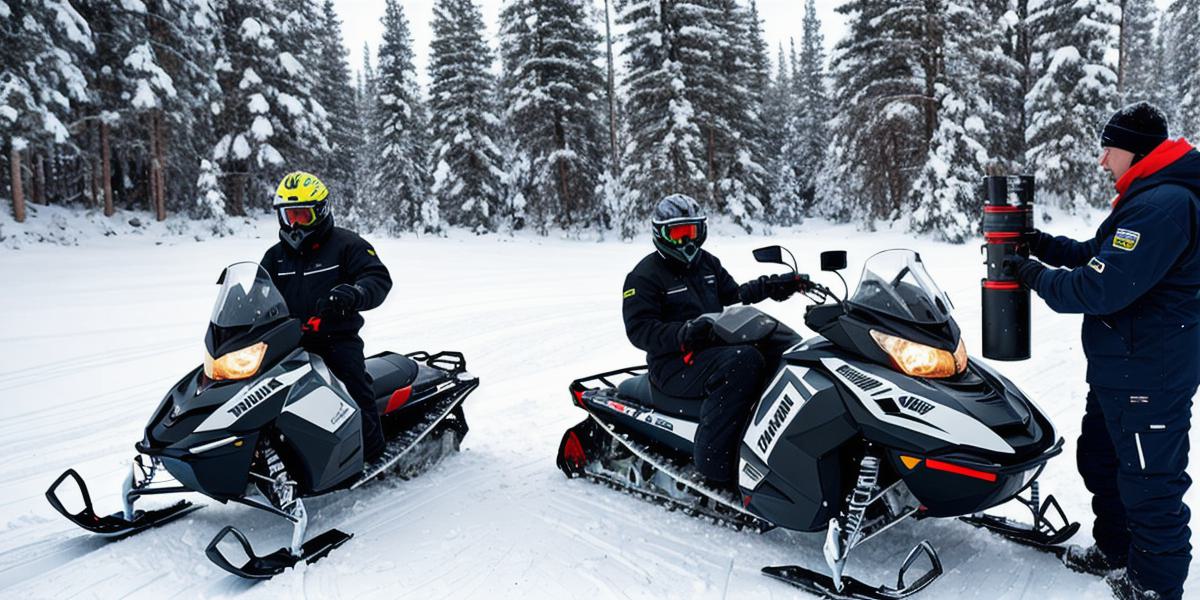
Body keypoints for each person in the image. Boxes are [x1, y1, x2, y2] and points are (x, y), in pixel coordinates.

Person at [1007, 102, 1200, 600]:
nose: (1101, 161)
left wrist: (1030, 275)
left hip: (1149, 375)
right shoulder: (1148, 197)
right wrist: (1041, 245)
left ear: (1135, 150)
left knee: (1151, 484)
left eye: (1108, 149)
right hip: (1124, 368)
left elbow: (1100, 289)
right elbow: (1100, 256)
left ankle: (1154, 586)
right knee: (1101, 460)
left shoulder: (1164, 206)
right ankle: (1116, 551)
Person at [621, 194, 804, 485]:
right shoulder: (644, 276)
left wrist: (772, 286)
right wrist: (684, 332)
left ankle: (787, 443)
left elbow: (733, 297)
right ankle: (714, 466)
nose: (687, 242)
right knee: (742, 361)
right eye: (678, 233)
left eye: (692, 232)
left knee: (784, 346)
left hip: (710, 350)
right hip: (673, 364)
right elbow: (640, 330)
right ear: (661, 234)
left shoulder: (707, 264)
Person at [260, 171, 393, 463]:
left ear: (320, 212)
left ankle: (372, 454)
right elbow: (259, 292)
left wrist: (354, 293)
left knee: (351, 385)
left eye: (302, 215)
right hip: (288, 342)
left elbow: (378, 278)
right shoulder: (275, 257)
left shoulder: (347, 245)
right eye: (288, 216)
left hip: (336, 339)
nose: (294, 224)